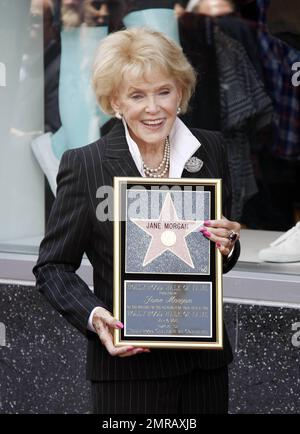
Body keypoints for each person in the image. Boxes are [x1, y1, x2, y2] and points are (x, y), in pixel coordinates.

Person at [33, 27, 241, 414]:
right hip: (129, 368)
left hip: (204, 366)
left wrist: (228, 245)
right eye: (137, 95)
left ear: (180, 92)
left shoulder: (210, 148)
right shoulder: (86, 165)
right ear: (115, 102)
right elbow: (52, 267)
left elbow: (216, 255)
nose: (153, 107)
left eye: (163, 91)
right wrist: (95, 317)